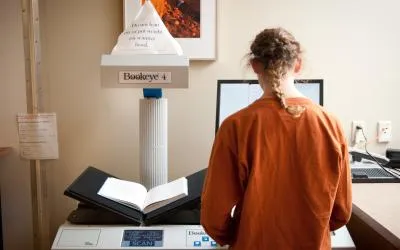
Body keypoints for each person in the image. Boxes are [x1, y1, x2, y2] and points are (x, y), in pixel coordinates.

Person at [200, 27, 352, 250]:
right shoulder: (331, 124)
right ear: (298, 65)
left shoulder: (235, 126)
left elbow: (213, 216)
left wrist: (237, 235)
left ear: (254, 65)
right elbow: (342, 211)